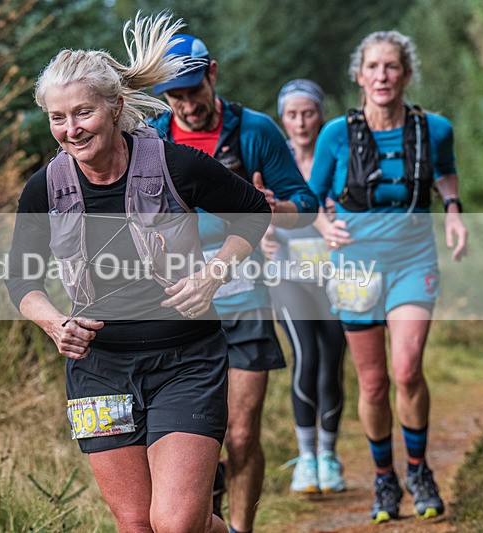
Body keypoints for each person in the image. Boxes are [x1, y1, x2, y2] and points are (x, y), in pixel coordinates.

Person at [6, 13, 271, 532]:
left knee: (174, 523)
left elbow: (253, 212)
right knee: (136, 524)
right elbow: (21, 279)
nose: (70, 129)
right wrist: (53, 322)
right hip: (97, 369)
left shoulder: (176, 165)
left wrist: (213, 274)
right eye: (57, 118)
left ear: (116, 107)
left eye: (82, 113)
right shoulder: (45, 189)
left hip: (185, 360)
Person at [149, 35, 319, 533]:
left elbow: (304, 208)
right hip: (177, 305)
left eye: (193, 89)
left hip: (243, 298)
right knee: (192, 437)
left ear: (213, 75)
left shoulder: (255, 131)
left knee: (241, 435)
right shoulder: (152, 139)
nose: (186, 104)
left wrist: (271, 208)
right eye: (174, 96)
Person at [308, 31, 468, 523]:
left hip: (412, 262)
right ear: (359, 76)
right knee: (374, 384)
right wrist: (323, 226)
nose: (382, 76)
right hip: (355, 266)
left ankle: (419, 470)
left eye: (392, 66)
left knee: (406, 368)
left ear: (406, 73)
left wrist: (454, 211)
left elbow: (444, 171)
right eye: (373, 67)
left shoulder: (434, 128)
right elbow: (310, 194)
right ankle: (384, 480)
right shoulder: (336, 133)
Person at [264, 79, 348, 494]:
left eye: (308, 112)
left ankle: (330, 457)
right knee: (307, 355)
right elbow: (258, 210)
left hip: (335, 277)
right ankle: (307, 457)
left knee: (333, 361)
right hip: (288, 275)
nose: (300, 122)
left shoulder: (338, 158)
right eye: (292, 114)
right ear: (283, 119)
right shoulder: (276, 162)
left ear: (321, 115)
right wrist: (263, 233)